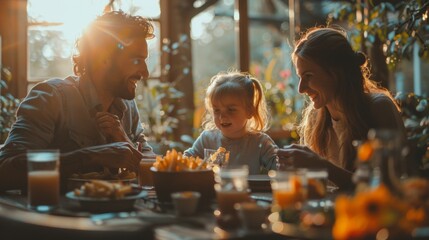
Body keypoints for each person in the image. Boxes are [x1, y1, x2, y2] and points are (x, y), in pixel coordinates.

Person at [0, 10, 156, 192]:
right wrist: (89, 157)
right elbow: (5, 170)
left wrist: (125, 141)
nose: (145, 73)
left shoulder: (127, 106)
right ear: (104, 58)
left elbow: (152, 170)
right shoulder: (50, 98)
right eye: (137, 60)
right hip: (53, 217)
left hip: (115, 216)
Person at [276, 26, 406, 190]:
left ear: (336, 72)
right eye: (300, 77)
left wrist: (321, 166)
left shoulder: (379, 108)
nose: (301, 89)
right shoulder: (315, 118)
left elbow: (387, 187)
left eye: (308, 76)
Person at [184, 71, 278, 174]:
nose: (222, 116)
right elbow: (186, 161)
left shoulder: (261, 143)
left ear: (249, 111)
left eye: (231, 109)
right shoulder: (206, 140)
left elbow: (280, 167)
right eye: (217, 110)